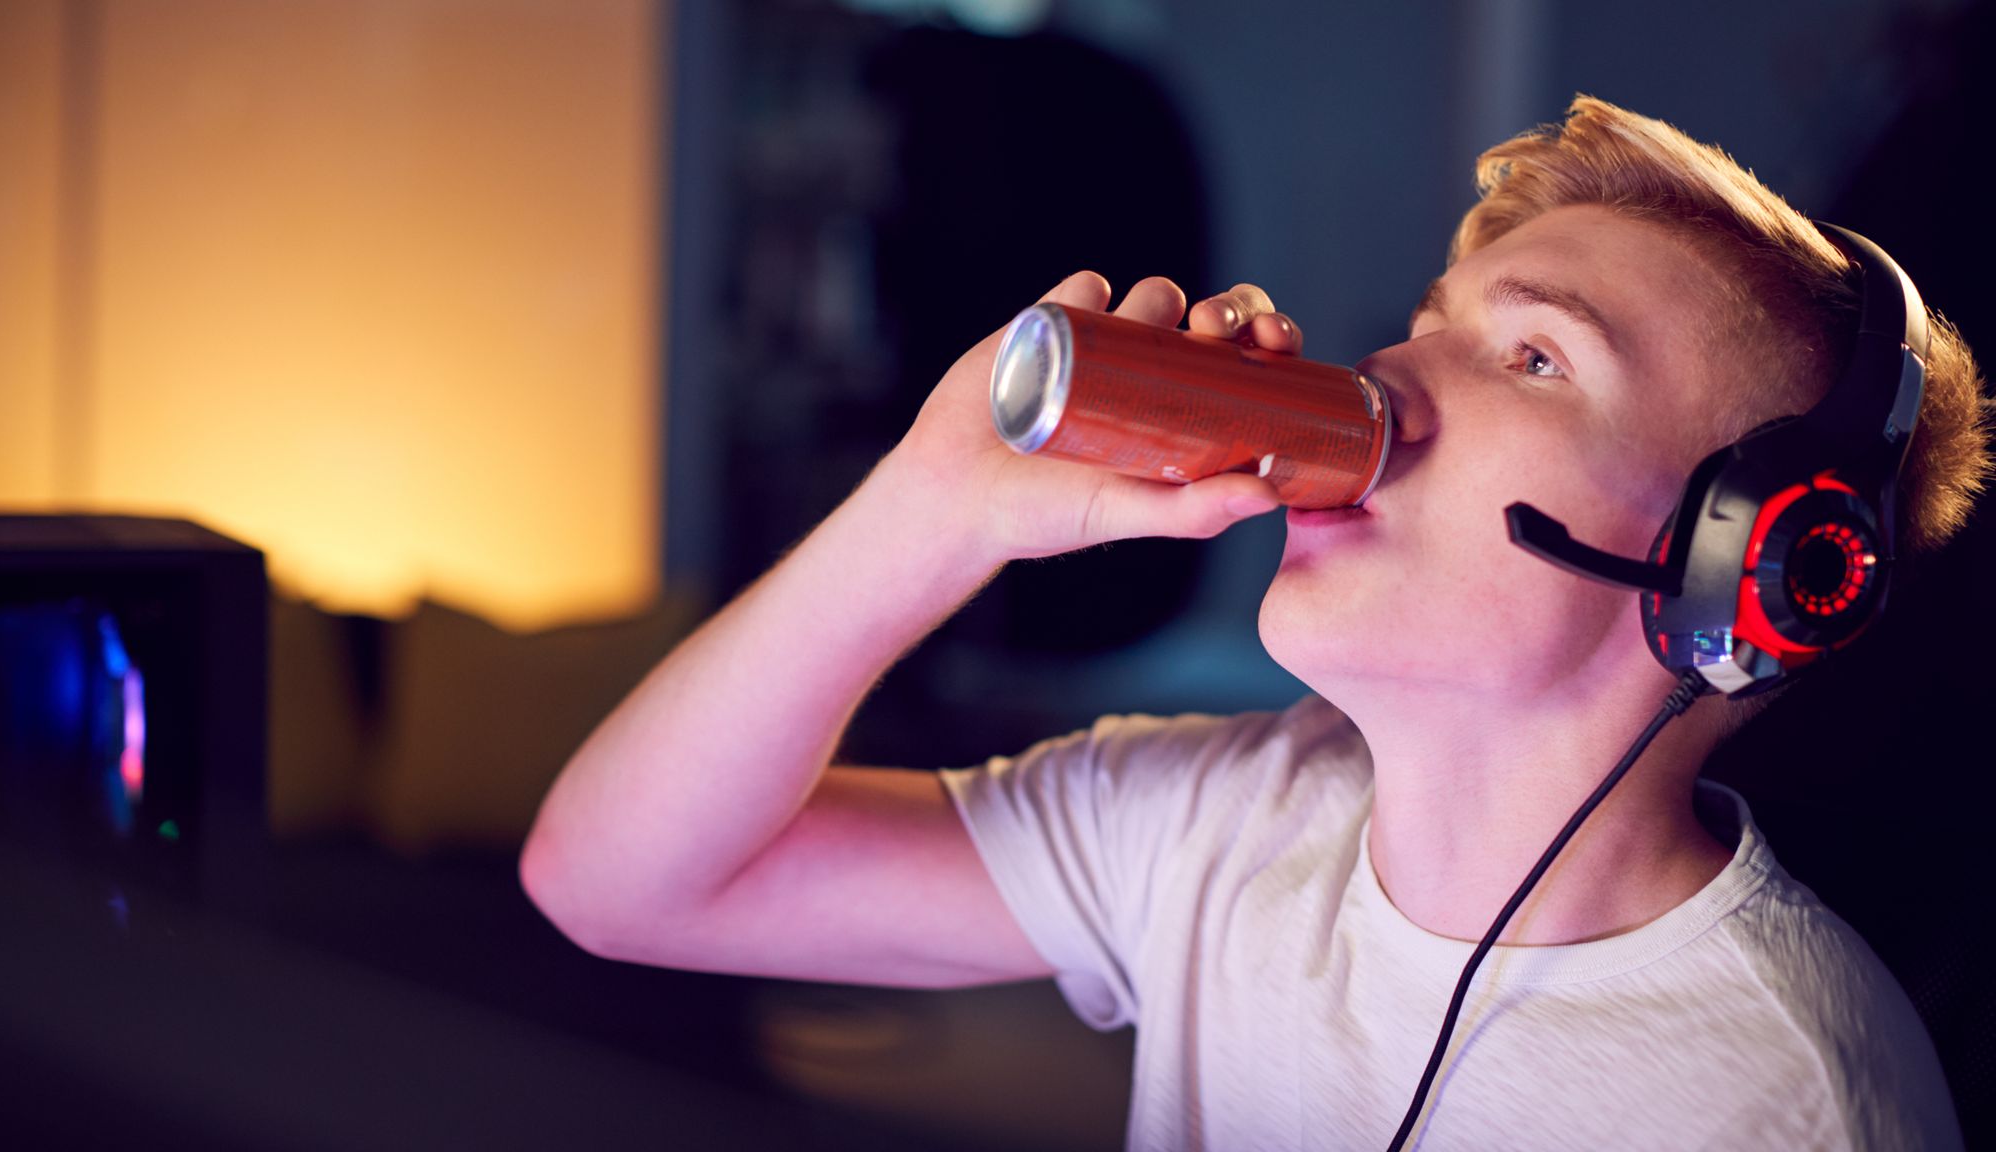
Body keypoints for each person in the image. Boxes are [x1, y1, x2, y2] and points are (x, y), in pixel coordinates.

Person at [519, 96, 1986, 1148]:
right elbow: (617, 883)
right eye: (1429, 319)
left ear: (1741, 562)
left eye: (1535, 358)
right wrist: (932, 506)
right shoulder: (1225, 822)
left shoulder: (1779, 1101)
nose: (1391, 378)